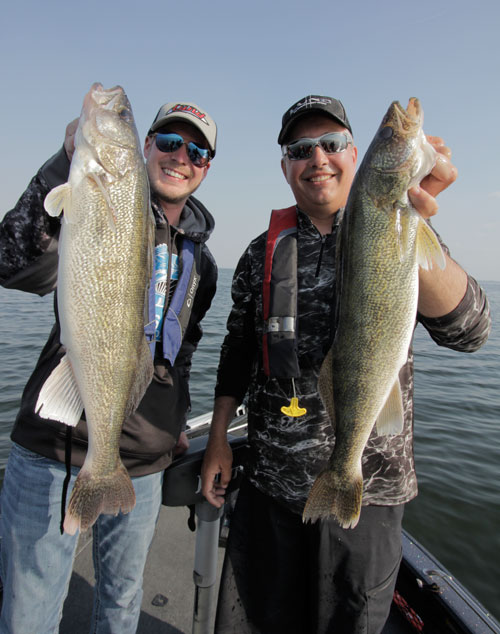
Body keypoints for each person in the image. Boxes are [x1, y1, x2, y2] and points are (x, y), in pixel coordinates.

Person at [201, 95, 491, 634]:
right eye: (301, 149)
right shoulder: (258, 252)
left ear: (356, 157)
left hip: (368, 494)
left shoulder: (405, 224)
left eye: (332, 144)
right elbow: (237, 351)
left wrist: (407, 223)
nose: (318, 159)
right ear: (285, 165)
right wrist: (218, 438)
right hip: (270, 489)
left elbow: (471, 332)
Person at [0, 100, 218, 633]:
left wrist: (176, 424)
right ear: (144, 148)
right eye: (167, 141)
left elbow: (181, 351)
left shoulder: (203, 264)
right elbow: (9, 262)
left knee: (121, 605)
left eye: (196, 150)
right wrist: (66, 159)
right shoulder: (96, 206)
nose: (179, 156)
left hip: (141, 465)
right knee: (29, 613)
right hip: (54, 448)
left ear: (206, 166)